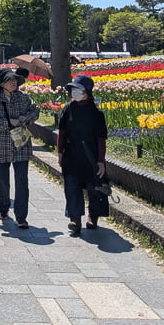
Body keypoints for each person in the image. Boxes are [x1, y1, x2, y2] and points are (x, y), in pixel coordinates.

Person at [0, 68, 39, 229]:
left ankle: (21, 217)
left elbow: (35, 111)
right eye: (9, 80)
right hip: (0, 146)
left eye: (15, 80)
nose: (13, 83)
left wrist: (25, 119)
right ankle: (3, 208)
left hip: (20, 145)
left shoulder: (23, 97)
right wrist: (9, 123)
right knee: (2, 181)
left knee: (22, 181)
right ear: (2, 84)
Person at [56, 74, 109, 237]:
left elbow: (101, 139)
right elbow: (62, 133)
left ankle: (93, 215)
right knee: (72, 187)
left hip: (91, 156)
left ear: (87, 92)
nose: (75, 92)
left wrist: (101, 161)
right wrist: (59, 152)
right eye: (73, 89)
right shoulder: (68, 109)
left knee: (94, 188)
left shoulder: (96, 113)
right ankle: (75, 219)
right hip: (71, 155)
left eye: (78, 89)